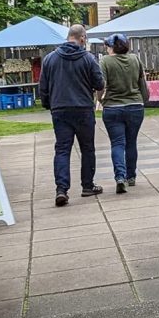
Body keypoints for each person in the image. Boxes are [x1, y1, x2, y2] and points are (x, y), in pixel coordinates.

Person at [39, 24, 105, 207]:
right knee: (87, 148)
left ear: (68, 36)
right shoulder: (88, 59)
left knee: (62, 149)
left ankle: (61, 189)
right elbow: (99, 84)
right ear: (82, 38)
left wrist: (48, 104)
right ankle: (87, 186)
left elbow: (43, 86)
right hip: (83, 108)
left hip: (60, 108)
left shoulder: (50, 59)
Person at [100, 33, 149, 194]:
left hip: (113, 107)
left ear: (112, 47)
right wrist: (144, 99)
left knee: (117, 143)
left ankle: (119, 177)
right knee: (131, 142)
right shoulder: (135, 59)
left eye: (107, 46)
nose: (106, 49)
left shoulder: (105, 61)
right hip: (135, 106)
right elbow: (142, 82)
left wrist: (101, 100)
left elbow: (101, 84)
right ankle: (131, 176)